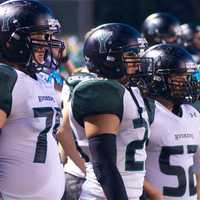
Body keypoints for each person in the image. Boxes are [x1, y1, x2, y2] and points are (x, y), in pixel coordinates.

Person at [68, 23, 152, 200]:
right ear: (108, 59)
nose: (137, 60)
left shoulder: (130, 90)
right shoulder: (101, 91)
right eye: (130, 54)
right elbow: (104, 166)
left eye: (138, 54)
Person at [0, 0, 67, 199]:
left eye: (48, 36)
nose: (46, 44)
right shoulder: (5, 78)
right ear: (10, 40)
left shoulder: (42, 78)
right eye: (38, 36)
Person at [139, 44, 200, 200]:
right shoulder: (144, 113)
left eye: (187, 76)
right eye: (178, 76)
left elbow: (197, 167)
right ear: (156, 78)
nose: (185, 82)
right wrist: (153, 194)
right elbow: (126, 166)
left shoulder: (192, 113)